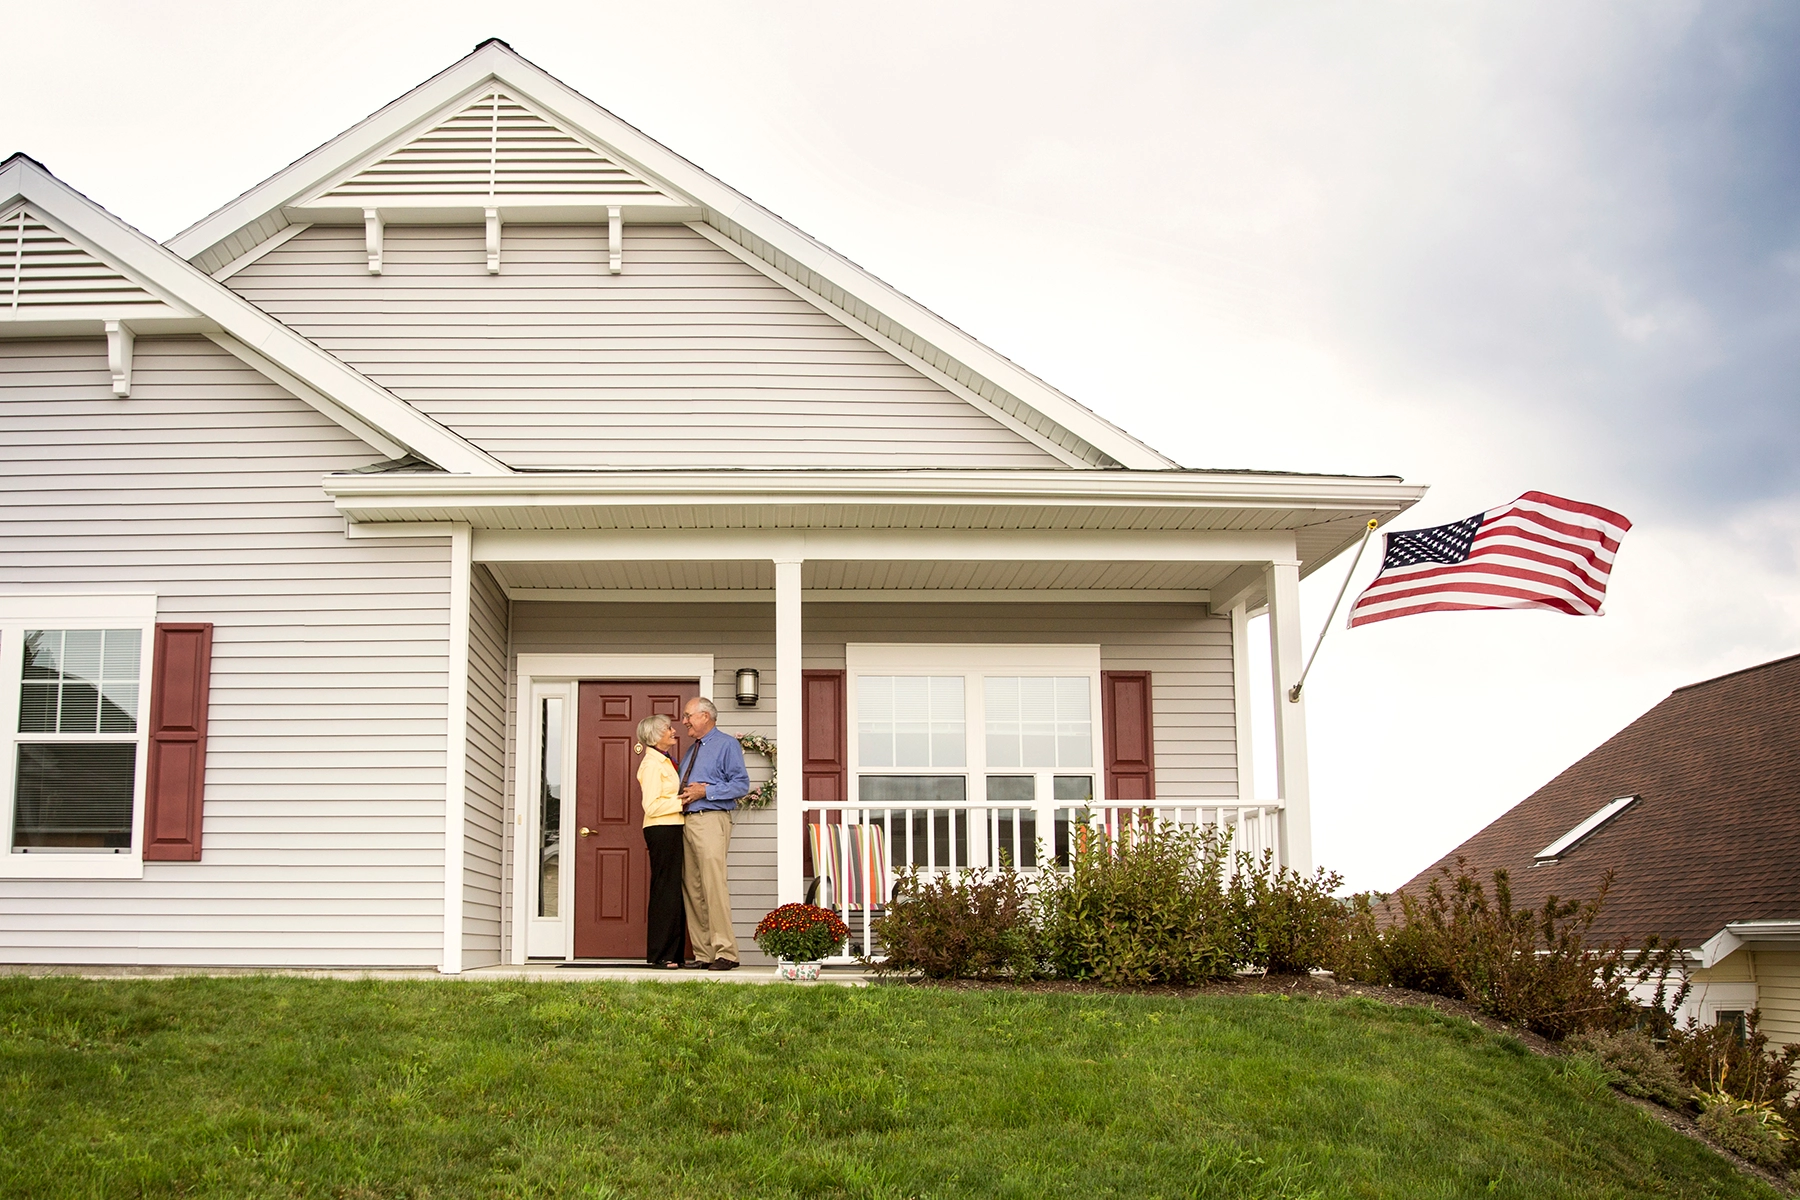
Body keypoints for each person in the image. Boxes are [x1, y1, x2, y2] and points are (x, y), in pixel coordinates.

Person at [677, 696, 749, 969]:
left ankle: (726, 953)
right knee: (693, 888)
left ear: (705, 716)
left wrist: (706, 791)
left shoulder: (727, 744)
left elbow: (741, 784)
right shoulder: (692, 749)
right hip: (687, 821)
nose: (684, 722)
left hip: (710, 819)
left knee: (713, 885)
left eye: (688, 716)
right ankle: (703, 953)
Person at [634, 713, 686, 969]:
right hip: (662, 829)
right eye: (668, 728)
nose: (673, 730)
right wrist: (684, 801)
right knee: (665, 891)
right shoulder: (652, 765)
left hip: (673, 828)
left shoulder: (665, 760)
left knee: (674, 891)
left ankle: (674, 954)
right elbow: (651, 806)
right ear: (655, 736)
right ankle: (660, 955)